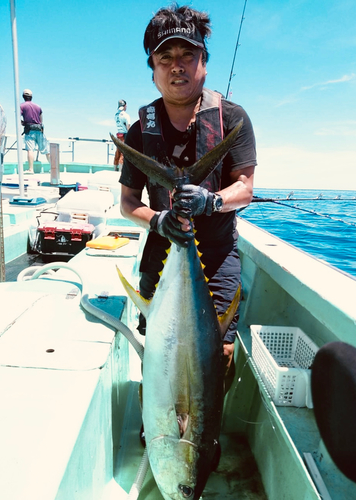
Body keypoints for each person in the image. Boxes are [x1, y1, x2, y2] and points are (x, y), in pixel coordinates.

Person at [119, 4, 257, 390]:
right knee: (160, 345)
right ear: (153, 70)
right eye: (165, 58)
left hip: (216, 252)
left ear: (204, 63)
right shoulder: (138, 131)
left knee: (222, 351)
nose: (176, 66)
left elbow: (244, 187)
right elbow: (128, 202)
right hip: (163, 249)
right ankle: (161, 425)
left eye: (187, 55)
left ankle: (203, 434)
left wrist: (211, 202)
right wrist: (159, 220)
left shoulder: (232, 118)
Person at [20, 89, 50, 173]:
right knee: (47, 150)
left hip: (29, 131)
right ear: (31, 97)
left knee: (30, 150)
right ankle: (53, 168)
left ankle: (30, 169)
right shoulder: (38, 106)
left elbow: (17, 117)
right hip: (39, 130)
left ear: (23, 97)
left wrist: (23, 123)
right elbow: (41, 120)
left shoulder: (21, 106)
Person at [114, 100, 131, 171]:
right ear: (125, 106)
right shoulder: (126, 115)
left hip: (118, 135)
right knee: (123, 153)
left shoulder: (116, 115)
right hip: (124, 135)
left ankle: (115, 168)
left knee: (117, 151)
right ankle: (121, 171)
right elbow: (128, 127)